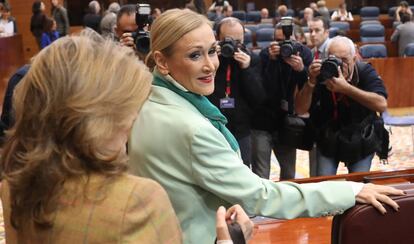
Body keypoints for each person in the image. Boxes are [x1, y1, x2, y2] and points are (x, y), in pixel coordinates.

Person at [128, 8, 405, 244]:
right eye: (194, 55)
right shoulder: (191, 128)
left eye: (212, 51)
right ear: (162, 61)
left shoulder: (142, 101)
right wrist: (351, 190)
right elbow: (261, 196)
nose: (211, 65)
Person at [0, 30, 252, 244]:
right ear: (98, 119)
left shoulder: (12, 187)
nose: (131, 122)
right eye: (127, 110)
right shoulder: (136, 198)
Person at [295, 36, 389, 176]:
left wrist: (346, 89)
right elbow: (300, 110)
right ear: (326, 58)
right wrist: (311, 82)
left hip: (361, 136)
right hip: (329, 137)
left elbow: (381, 105)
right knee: (324, 185)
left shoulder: (364, 71)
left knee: (358, 184)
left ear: (354, 58)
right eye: (334, 60)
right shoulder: (321, 75)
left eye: (344, 60)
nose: (340, 65)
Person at [251, 21, 313, 180]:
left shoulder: (305, 54)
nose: (283, 45)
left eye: (287, 40)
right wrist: (272, 61)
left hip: (287, 123)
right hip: (262, 121)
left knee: (289, 173)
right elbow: (264, 90)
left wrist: (300, 70)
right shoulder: (266, 54)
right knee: (261, 174)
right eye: (278, 41)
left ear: (298, 38)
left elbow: (307, 89)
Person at [208, 17, 264, 169]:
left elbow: (258, 98)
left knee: (243, 168)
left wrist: (246, 69)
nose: (233, 45)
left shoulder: (252, 59)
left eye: (238, 41)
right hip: (213, 128)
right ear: (217, 38)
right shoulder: (209, 59)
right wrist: (212, 60)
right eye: (228, 40)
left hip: (241, 129)